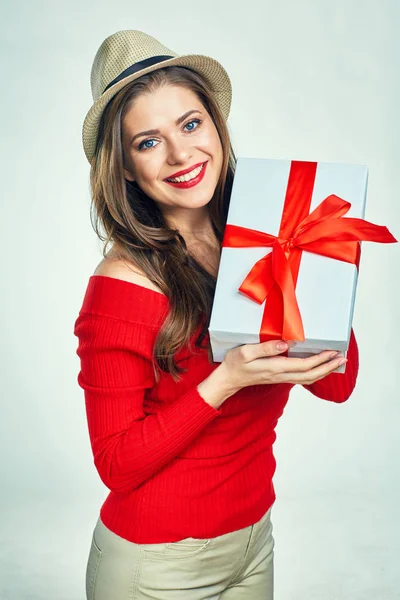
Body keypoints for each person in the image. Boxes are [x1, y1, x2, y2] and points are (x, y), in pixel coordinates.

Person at [73, 29, 359, 600]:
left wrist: (323, 275)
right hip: (156, 567)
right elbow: (116, 465)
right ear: (125, 167)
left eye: (190, 123)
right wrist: (225, 381)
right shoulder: (122, 285)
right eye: (148, 142)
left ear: (215, 126)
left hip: (254, 543)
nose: (182, 155)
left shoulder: (257, 242)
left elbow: (337, 386)